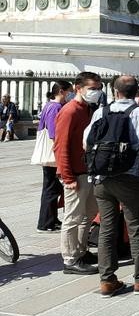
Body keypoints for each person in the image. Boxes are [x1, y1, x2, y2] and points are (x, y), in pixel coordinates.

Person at [87, 75, 139, 297]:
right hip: (130, 178)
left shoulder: (100, 112)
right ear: (138, 92)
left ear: (115, 91)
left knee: (107, 228)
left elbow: (87, 141)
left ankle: (107, 280)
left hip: (102, 179)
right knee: (137, 229)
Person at [54, 72, 103, 275]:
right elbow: (60, 146)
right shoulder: (70, 111)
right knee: (72, 217)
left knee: (88, 214)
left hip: (88, 170)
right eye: (92, 88)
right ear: (78, 88)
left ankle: (81, 250)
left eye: (98, 88)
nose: (96, 92)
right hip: (75, 173)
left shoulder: (87, 110)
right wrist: (67, 176)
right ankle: (70, 258)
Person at [35, 80, 72, 233]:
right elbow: (53, 133)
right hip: (53, 153)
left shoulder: (51, 105)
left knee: (53, 187)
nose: (71, 94)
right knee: (51, 188)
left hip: (53, 152)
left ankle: (51, 219)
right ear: (62, 91)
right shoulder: (55, 107)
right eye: (70, 91)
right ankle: (45, 223)